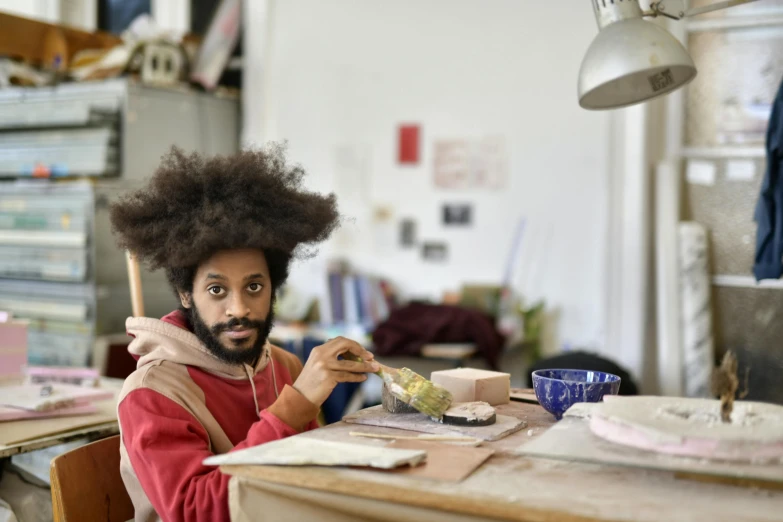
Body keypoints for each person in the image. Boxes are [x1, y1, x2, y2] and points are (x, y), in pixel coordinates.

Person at [110, 146, 378, 522]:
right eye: (217, 290)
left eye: (254, 287)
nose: (239, 309)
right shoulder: (153, 394)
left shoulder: (284, 365)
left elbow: (308, 469)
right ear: (186, 293)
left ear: (274, 286)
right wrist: (295, 404)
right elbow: (195, 512)